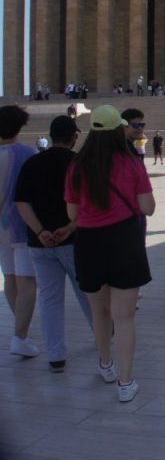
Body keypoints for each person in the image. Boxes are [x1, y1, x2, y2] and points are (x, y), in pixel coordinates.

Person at [65, 104, 154, 403]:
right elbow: (147, 207)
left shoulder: (77, 166)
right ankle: (126, 382)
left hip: (89, 242)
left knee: (100, 311)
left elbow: (72, 211)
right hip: (125, 240)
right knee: (124, 316)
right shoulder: (131, 163)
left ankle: (105, 365)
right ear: (118, 129)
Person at [15, 115, 92, 372]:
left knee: (49, 299)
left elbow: (21, 202)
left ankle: (56, 356)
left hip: (40, 244)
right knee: (85, 291)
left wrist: (40, 232)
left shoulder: (32, 163)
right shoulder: (77, 163)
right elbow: (87, 203)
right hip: (73, 240)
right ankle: (104, 333)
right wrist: (69, 227)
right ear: (73, 137)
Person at [0, 105, 40, 357]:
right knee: (27, 281)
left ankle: (21, 330)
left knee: (10, 278)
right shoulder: (28, 153)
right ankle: (20, 335)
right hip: (22, 226)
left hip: (0, 230)